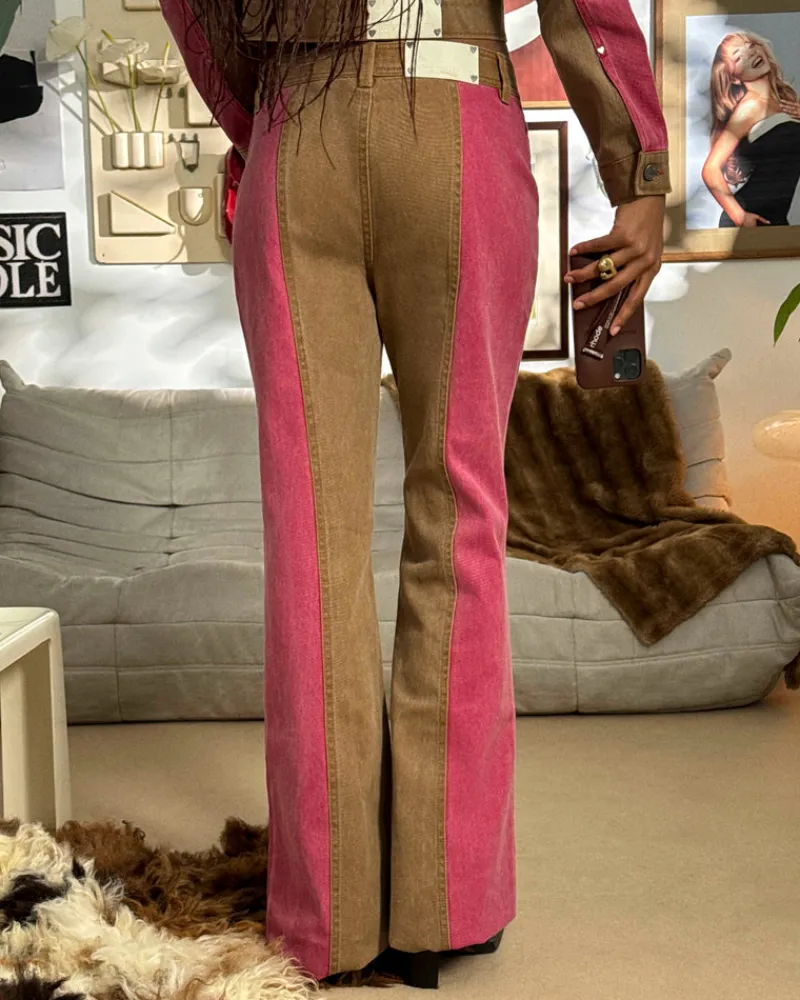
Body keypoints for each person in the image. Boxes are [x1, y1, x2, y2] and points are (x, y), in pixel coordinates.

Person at [159, 0, 669, 989]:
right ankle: (445, 903)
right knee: (460, 513)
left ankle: (328, 917)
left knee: (311, 540)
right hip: (453, 111)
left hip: (297, 122)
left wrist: (263, 113)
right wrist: (636, 171)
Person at [702, 30, 800, 228]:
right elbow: (710, 169)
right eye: (738, 57)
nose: (751, 53)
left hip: (776, 218)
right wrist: (739, 216)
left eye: (751, 46)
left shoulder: (786, 101)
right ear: (734, 78)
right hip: (752, 218)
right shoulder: (750, 107)